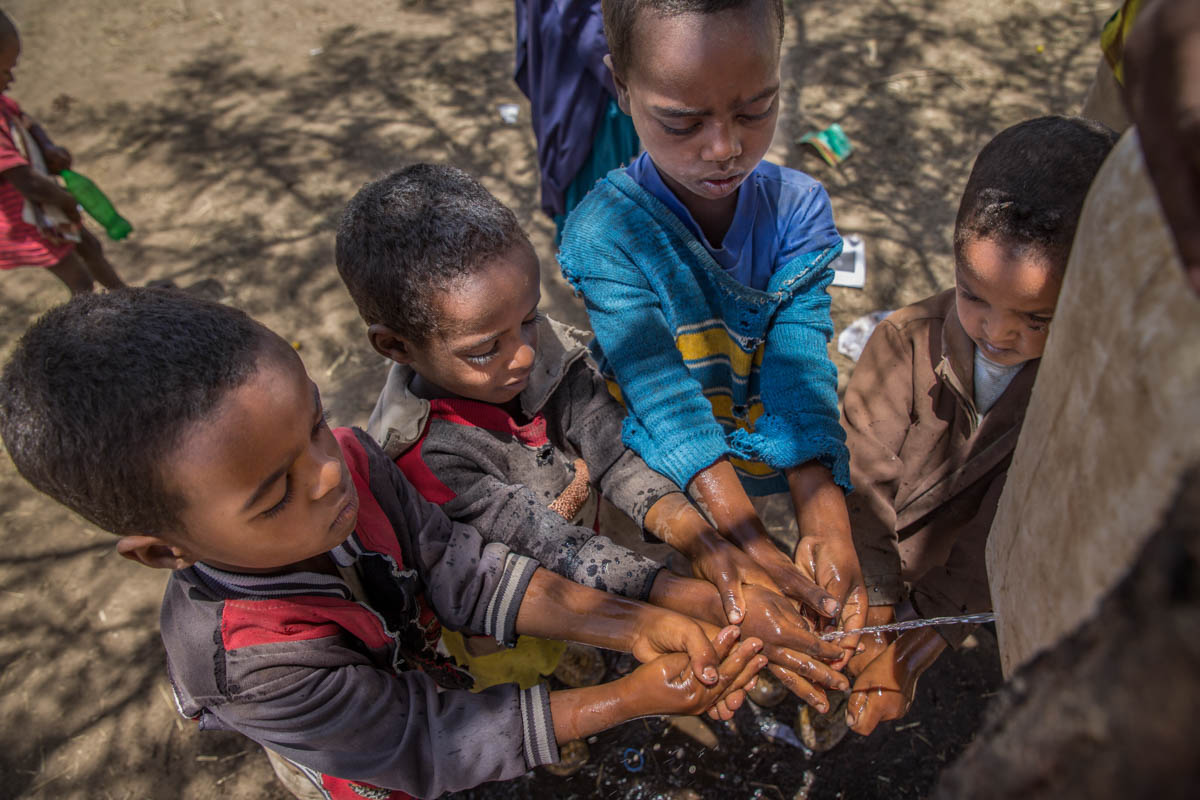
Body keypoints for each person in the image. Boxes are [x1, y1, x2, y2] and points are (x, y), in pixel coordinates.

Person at [0, 288, 768, 799]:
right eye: (274, 494)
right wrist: (629, 698)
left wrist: (638, 625)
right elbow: (421, 743)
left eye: (311, 425)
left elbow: (455, 564)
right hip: (378, 767)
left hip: (430, 678)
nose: (330, 475)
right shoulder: (251, 666)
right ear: (165, 552)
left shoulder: (351, 460)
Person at [335, 163, 849, 711]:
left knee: (598, 626)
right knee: (523, 666)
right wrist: (697, 596)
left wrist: (705, 543)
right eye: (487, 348)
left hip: (598, 563)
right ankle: (556, 679)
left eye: (530, 319)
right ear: (394, 346)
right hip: (518, 604)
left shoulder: (542, 353)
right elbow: (543, 546)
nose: (525, 355)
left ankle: (578, 655)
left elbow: (611, 448)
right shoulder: (423, 455)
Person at [556, 0, 866, 660]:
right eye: (682, 121)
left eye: (755, 110)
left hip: (758, 451)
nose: (726, 148)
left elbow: (798, 361)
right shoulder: (604, 234)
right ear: (621, 86)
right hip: (657, 470)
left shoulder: (800, 209)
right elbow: (660, 397)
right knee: (686, 590)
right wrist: (745, 541)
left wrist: (824, 512)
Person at [840, 116, 1118, 736]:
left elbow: (1010, 526)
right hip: (873, 564)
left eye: (1036, 319)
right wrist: (877, 601)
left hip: (960, 582)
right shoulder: (900, 343)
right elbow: (862, 477)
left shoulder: (1072, 398)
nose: (997, 333)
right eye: (973, 296)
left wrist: (914, 646)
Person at [0, 10, 125, 294]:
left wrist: (47, 148)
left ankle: (129, 302)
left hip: (46, 203)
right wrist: (68, 201)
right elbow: (28, 183)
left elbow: (27, 122)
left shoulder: (2, 103)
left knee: (91, 247)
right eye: (6, 71)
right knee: (80, 281)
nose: (11, 79)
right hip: (24, 219)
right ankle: (93, 333)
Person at [513, 0, 640, 239]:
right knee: (592, 192)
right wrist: (628, 73)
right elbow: (586, 22)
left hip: (567, 55)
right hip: (589, 78)